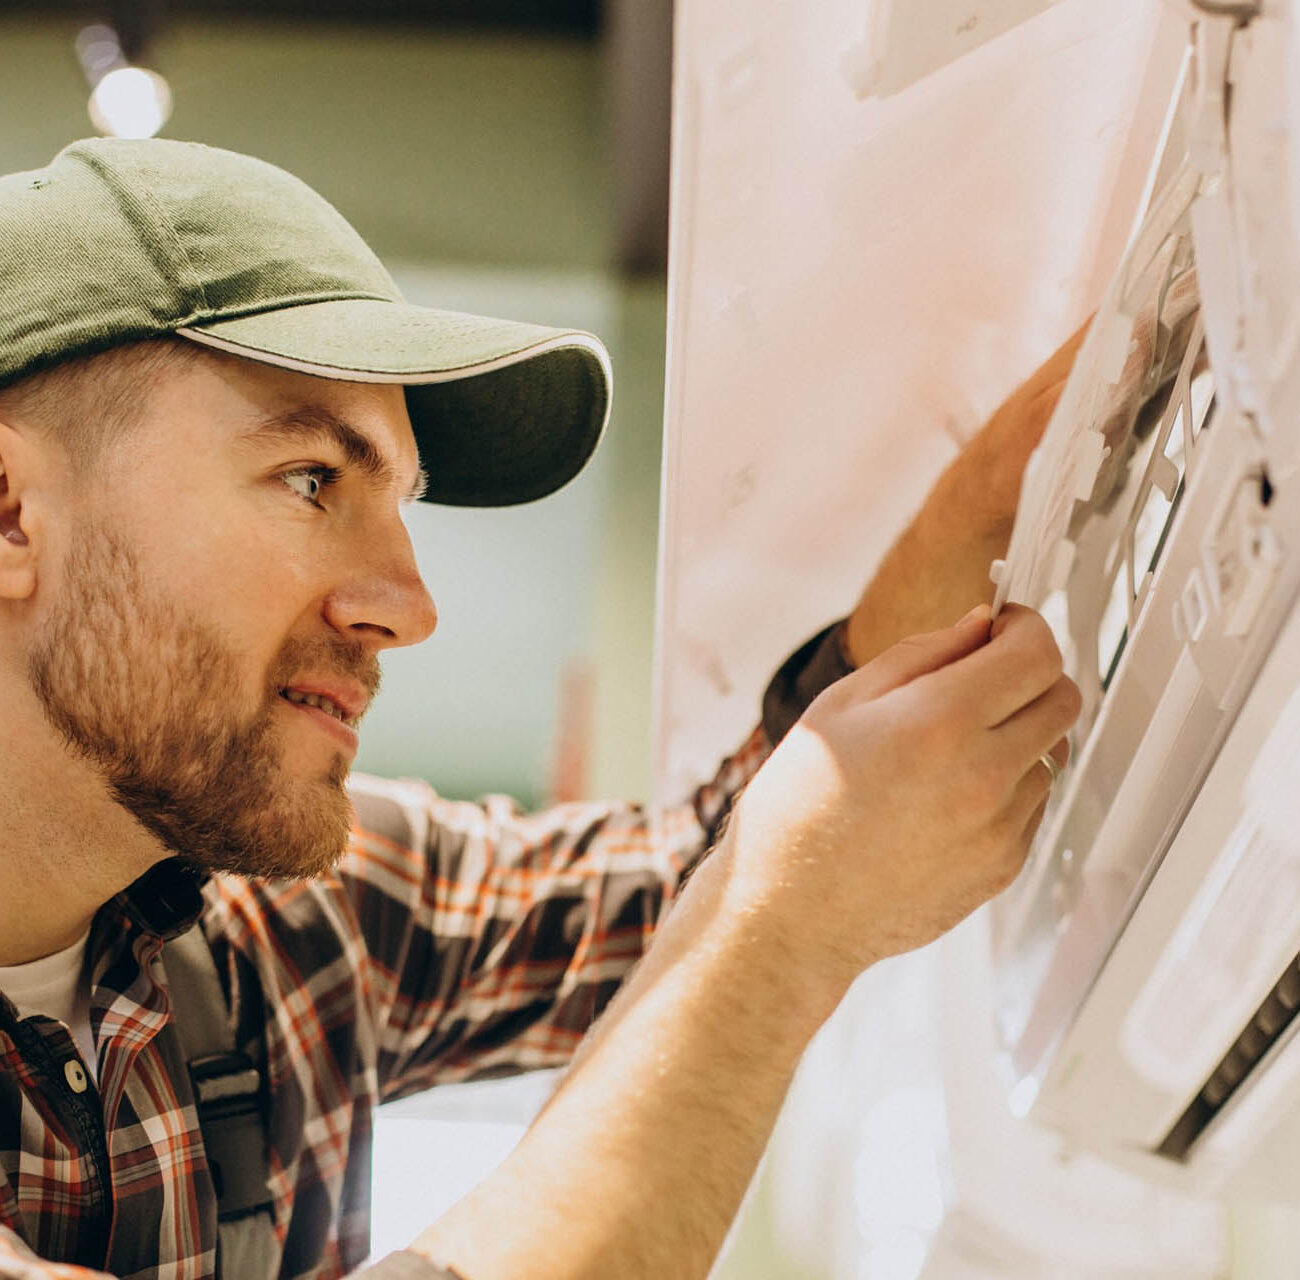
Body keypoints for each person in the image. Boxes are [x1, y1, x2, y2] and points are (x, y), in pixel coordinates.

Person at [0, 138, 1082, 1280]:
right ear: (14, 511)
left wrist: (976, 516)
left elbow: (685, 886)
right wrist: (785, 939)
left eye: (399, 502)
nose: (410, 609)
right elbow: (748, 905)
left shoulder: (288, 923)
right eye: (312, 477)